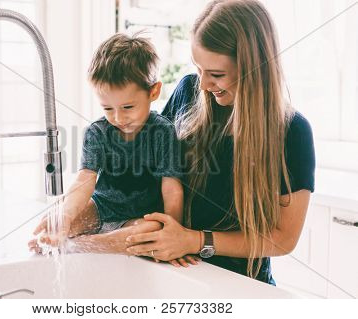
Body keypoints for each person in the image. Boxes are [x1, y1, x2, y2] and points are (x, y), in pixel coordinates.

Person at [125, 0, 315, 284]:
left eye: (216, 75)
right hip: (175, 272)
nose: (203, 84)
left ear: (255, 68)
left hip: (242, 285)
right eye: (199, 69)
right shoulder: (188, 91)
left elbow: (283, 238)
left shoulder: (292, 132)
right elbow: (150, 174)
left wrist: (195, 241)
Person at [29, 33, 189, 265]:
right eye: (107, 108)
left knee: (150, 231)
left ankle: (82, 245)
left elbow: (172, 188)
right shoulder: (97, 132)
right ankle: (67, 238)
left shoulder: (162, 132)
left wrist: (173, 234)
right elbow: (85, 181)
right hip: (101, 208)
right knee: (53, 221)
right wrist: (65, 216)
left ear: (153, 92)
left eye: (127, 107)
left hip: (139, 217)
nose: (118, 117)